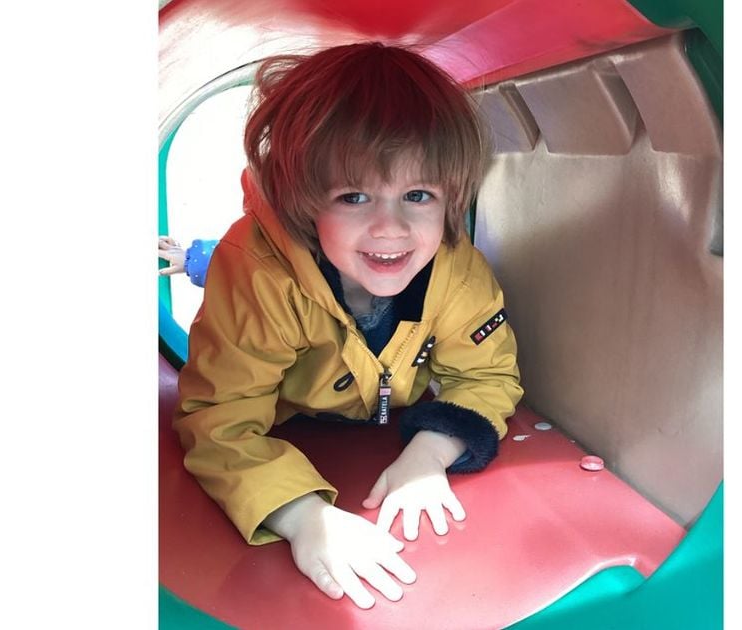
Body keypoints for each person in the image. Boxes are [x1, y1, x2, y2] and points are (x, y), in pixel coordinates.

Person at [172, 42, 523, 610]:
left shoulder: (458, 272)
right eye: (354, 196)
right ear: (304, 201)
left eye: (418, 195)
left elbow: (489, 375)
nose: (392, 227)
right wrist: (302, 516)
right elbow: (218, 418)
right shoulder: (259, 272)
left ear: (450, 198)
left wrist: (432, 449)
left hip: (389, 422)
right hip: (289, 420)